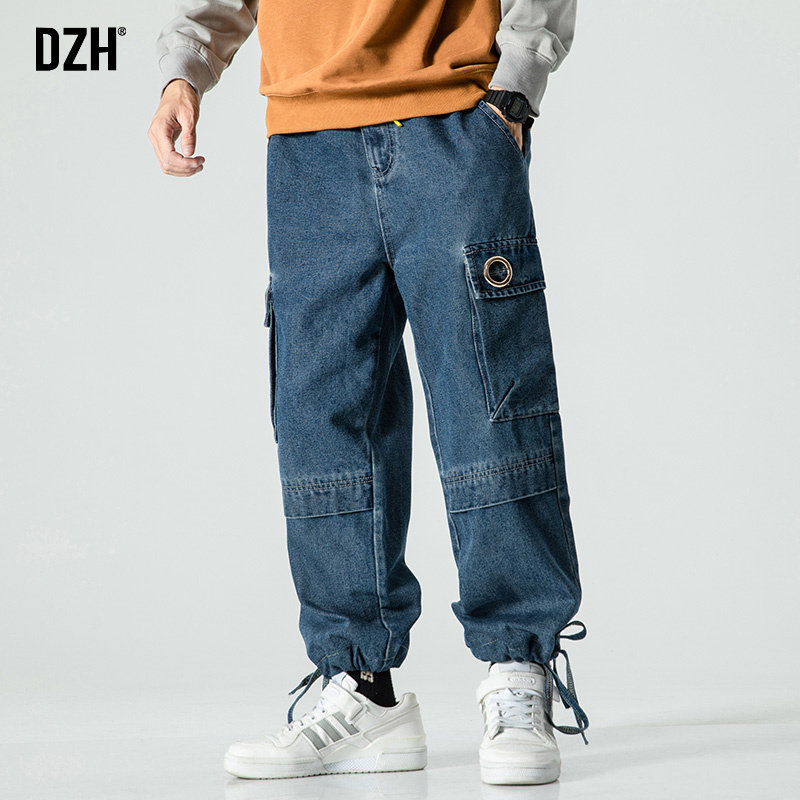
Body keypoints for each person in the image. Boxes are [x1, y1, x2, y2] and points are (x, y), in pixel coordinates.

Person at [149, 0, 588, 786]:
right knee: (322, 417)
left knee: (488, 401)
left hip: (453, 114)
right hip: (306, 137)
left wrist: (517, 87)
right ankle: (361, 686)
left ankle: (518, 667)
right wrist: (184, 70)